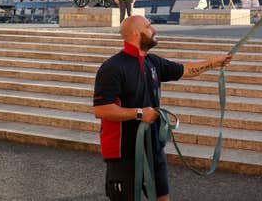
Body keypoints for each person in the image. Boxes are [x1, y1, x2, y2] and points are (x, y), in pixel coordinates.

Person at [93, 15, 232, 201]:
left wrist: (215, 62)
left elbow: (185, 70)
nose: (154, 30)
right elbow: (101, 110)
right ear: (136, 33)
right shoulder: (112, 68)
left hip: (153, 148)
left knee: (163, 197)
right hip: (123, 154)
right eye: (149, 26)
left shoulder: (153, 63)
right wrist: (140, 113)